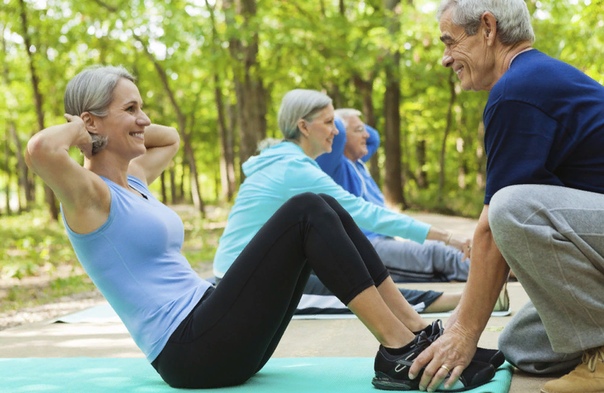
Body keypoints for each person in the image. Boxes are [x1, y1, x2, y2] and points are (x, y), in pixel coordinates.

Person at [25, 65, 497, 390]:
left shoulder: (135, 180)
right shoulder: (91, 196)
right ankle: (398, 351)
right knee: (306, 207)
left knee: (323, 207)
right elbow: (41, 151)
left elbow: (169, 137)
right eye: (131, 109)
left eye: (141, 107)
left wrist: (117, 124)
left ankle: (413, 335)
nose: (144, 120)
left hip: (213, 321)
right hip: (190, 351)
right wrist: (87, 131)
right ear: (89, 122)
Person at [408, 1, 604, 392]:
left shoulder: (517, 90)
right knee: (521, 344)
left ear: (487, 28)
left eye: (450, 42)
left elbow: (493, 229)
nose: (445, 59)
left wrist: (461, 331)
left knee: (511, 207)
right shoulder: (534, 79)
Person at [316, 108, 471, 283]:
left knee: (443, 255)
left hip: (382, 241)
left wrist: (354, 121)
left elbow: (374, 137)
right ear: (339, 137)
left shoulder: (357, 163)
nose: (366, 135)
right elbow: (340, 128)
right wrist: (335, 115)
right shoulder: (334, 167)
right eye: (359, 130)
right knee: (438, 253)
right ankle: (498, 273)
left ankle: (496, 268)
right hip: (365, 247)